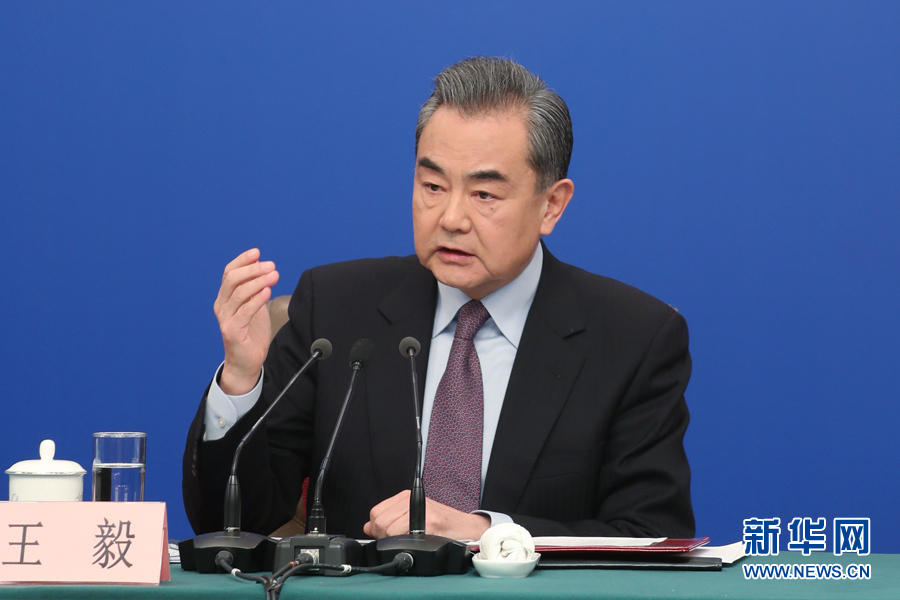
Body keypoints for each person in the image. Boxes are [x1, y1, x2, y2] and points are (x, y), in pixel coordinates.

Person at [183, 57, 694, 542]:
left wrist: (491, 535)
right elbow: (235, 523)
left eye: (484, 195)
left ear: (552, 206)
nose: (450, 218)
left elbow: (651, 536)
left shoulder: (632, 339)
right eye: (432, 185)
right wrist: (241, 380)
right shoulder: (335, 309)